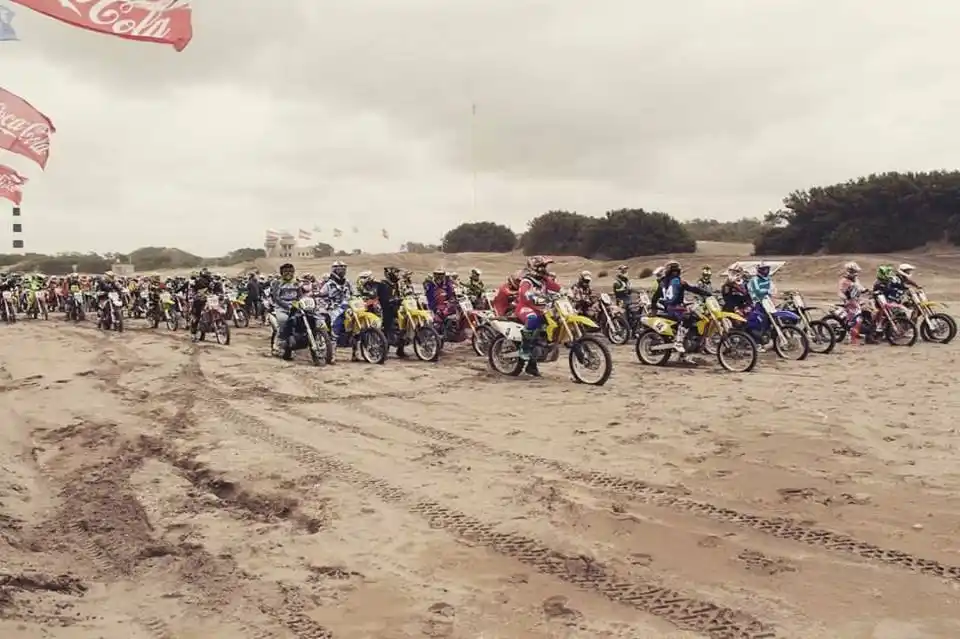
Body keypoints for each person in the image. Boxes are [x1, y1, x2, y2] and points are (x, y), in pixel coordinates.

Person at [649, 260, 712, 353]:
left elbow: (655, 297)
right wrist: (707, 293)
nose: (675, 272)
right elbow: (692, 289)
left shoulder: (663, 282)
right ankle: (678, 342)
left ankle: (687, 346)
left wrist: (653, 309)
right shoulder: (678, 281)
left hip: (672, 307)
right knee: (687, 317)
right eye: (674, 271)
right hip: (673, 308)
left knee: (696, 317)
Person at [515, 256, 562, 376]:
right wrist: (534, 298)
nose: (545, 269)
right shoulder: (526, 281)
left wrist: (566, 293)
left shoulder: (543, 280)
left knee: (548, 329)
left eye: (545, 267)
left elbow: (557, 289)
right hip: (526, 308)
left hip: (542, 309)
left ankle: (532, 364)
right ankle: (524, 348)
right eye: (542, 266)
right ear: (535, 267)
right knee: (533, 319)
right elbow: (524, 294)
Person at [319, 261, 354, 357]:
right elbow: (321, 295)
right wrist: (326, 303)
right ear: (334, 270)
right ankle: (332, 354)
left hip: (349, 307)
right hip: (335, 308)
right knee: (335, 327)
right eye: (339, 269)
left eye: (344, 269)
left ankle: (356, 352)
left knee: (357, 327)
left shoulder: (347, 282)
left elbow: (354, 293)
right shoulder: (328, 284)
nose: (342, 271)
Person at [270, 263, 302, 359]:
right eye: (285, 271)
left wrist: (299, 303)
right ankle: (277, 344)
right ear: (281, 273)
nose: (288, 273)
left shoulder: (297, 282)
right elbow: (276, 297)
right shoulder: (277, 283)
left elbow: (300, 295)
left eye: (290, 271)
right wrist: (286, 306)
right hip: (281, 308)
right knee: (283, 322)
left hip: (295, 307)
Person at [377, 266, 406, 357]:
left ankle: (400, 349)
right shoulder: (383, 284)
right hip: (386, 309)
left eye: (398, 273)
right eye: (396, 273)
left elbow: (399, 294)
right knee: (388, 328)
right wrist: (391, 300)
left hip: (396, 308)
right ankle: (385, 350)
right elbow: (383, 298)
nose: (397, 275)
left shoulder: (396, 284)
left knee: (402, 327)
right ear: (390, 274)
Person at [838, 261, 868, 343]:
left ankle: (859, 331)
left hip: (856, 300)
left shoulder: (855, 280)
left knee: (865, 311)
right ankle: (850, 336)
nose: (856, 274)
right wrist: (846, 298)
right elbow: (841, 292)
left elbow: (860, 287)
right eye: (854, 272)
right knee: (855, 318)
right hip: (850, 302)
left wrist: (866, 290)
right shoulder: (844, 281)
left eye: (856, 272)